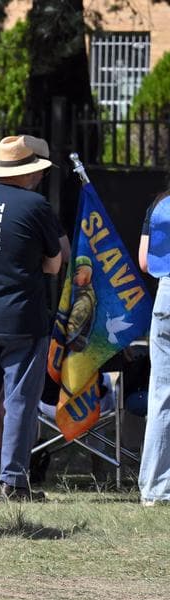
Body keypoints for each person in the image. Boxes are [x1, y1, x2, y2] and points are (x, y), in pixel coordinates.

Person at [0, 135, 68, 502]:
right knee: (20, 400)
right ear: (31, 171)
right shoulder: (37, 205)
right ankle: (14, 481)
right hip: (22, 319)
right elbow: (54, 266)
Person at [137, 191, 170, 506]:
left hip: (166, 295)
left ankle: (155, 489)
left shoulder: (159, 203)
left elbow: (145, 262)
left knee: (161, 394)